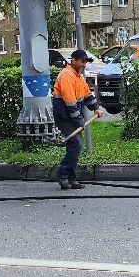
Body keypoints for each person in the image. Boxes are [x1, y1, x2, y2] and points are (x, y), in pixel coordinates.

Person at [52, 49, 103, 190]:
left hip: (71, 115)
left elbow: (86, 94)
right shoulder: (67, 76)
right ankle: (61, 173)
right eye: (82, 61)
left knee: (74, 146)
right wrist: (79, 121)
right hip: (64, 116)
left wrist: (96, 108)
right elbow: (70, 102)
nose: (84, 64)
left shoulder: (78, 76)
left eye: (85, 62)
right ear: (73, 60)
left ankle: (71, 178)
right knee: (76, 145)